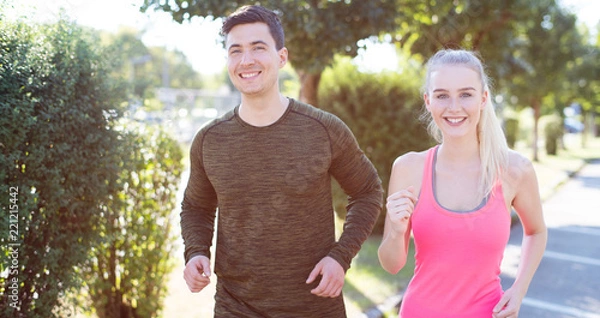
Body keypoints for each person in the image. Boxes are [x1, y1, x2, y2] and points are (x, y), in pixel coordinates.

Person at [180, 5, 383, 317]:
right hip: (236, 306)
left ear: (282, 57)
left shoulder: (324, 129)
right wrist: (196, 251)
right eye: (235, 51)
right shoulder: (210, 140)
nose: (246, 60)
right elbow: (197, 207)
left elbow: (368, 191)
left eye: (258, 48)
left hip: (314, 305)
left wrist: (340, 256)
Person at [378, 49, 547, 318]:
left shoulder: (514, 170)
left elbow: (536, 231)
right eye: (442, 95)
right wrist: (397, 232)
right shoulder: (408, 168)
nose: (454, 107)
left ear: (483, 99)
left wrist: (519, 289)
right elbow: (391, 264)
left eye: (465, 94)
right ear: (428, 101)